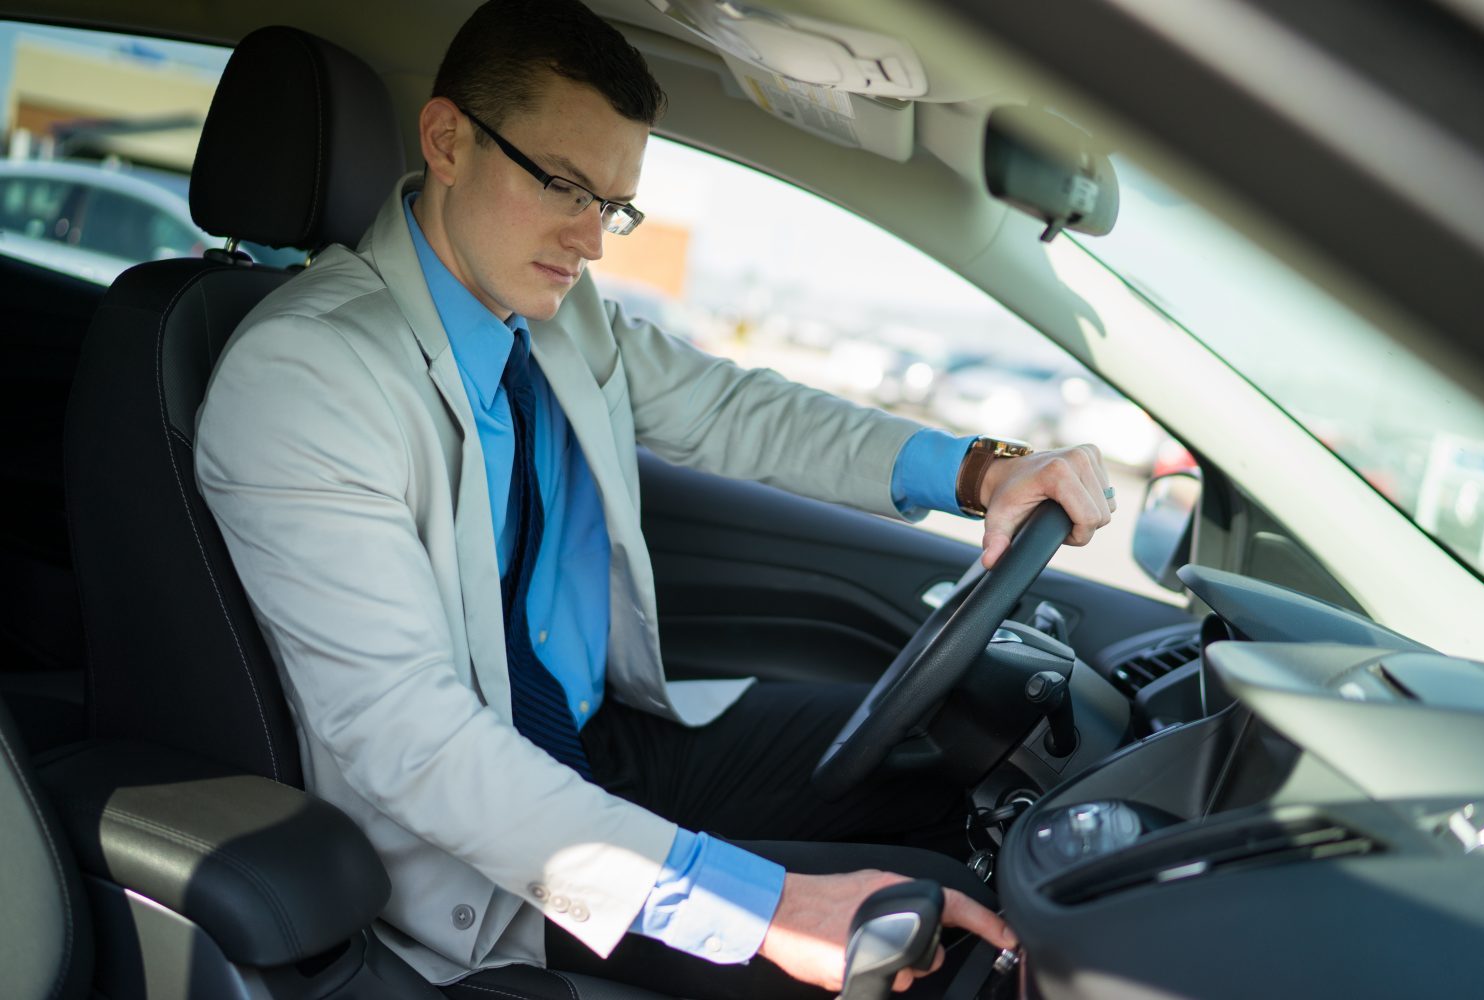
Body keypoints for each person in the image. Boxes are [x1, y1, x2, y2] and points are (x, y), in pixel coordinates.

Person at [195, 1, 1114, 996]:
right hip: (479, 851)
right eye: (563, 185)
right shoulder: (308, 375)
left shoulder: (547, 307)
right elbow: (414, 740)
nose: (592, 240)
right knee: (926, 931)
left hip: (603, 743)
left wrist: (983, 470)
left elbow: (734, 409)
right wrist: (764, 909)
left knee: (947, 768)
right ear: (447, 139)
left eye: (614, 206)